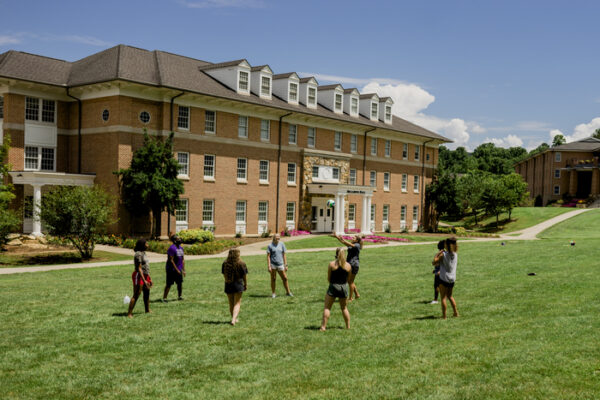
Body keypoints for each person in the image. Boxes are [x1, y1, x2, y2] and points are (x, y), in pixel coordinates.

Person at [320, 248, 352, 331]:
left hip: (333, 286)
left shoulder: (331, 264)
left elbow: (329, 278)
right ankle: (348, 327)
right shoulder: (348, 266)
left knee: (327, 308)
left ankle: (323, 327)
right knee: (344, 308)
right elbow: (348, 279)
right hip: (344, 287)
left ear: (336, 254)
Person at [433, 237, 459, 319]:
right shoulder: (455, 254)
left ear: (446, 245)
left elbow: (434, 262)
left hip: (444, 278)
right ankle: (456, 312)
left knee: (443, 297)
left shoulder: (443, 255)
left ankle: (444, 316)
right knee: (450, 296)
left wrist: (437, 254)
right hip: (452, 279)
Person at [222, 248, 248, 326]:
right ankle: (234, 319)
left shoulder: (225, 263)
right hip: (238, 284)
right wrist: (245, 284)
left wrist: (227, 280)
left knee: (231, 303)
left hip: (228, 284)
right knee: (237, 303)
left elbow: (224, 274)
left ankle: (234, 318)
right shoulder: (241, 263)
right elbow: (244, 276)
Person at [333, 233, 362, 301]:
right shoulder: (351, 245)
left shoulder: (357, 245)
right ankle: (357, 294)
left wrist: (343, 239)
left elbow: (349, 244)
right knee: (350, 281)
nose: (352, 238)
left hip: (354, 264)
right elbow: (343, 242)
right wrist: (337, 237)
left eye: (354, 238)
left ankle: (350, 298)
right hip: (350, 264)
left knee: (350, 281)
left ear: (357, 240)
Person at [127, 239, 152, 318]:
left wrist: (149, 279)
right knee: (137, 294)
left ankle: (147, 310)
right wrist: (144, 281)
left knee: (147, 292)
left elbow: (146, 267)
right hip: (139, 275)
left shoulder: (143, 253)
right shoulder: (138, 254)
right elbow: (139, 268)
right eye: (146, 243)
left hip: (145, 275)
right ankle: (129, 313)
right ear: (142, 245)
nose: (148, 245)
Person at [267, 233, 292, 298]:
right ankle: (273, 293)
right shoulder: (270, 246)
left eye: (279, 238)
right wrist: (269, 266)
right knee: (273, 279)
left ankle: (288, 292)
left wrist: (285, 265)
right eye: (277, 238)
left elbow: (284, 255)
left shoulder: (282, 244)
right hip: (273, 265)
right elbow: (268, 256)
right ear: (274, 238)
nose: (278, 239)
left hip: (280, 264)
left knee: (285, 278)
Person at [163, 235, 186, 302]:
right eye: (178, 239)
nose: (180, 239)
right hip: (171, 269)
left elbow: (183, 260)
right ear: (174, 240)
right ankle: (164, 298)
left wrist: (183, 270)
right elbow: (171, 260)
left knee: (179, 283)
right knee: (169, 284)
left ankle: (180, 296)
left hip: (179, 269)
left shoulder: (181, 248)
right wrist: (177, 270)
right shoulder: (172, 248)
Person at [429, 240, 445, 304]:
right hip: (442, 271)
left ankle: (435, 300)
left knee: (436, 285)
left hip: (439, 272)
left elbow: (434, 262)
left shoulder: (440, 254)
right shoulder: (445, 253)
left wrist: (438, 270)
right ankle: (444, 297)